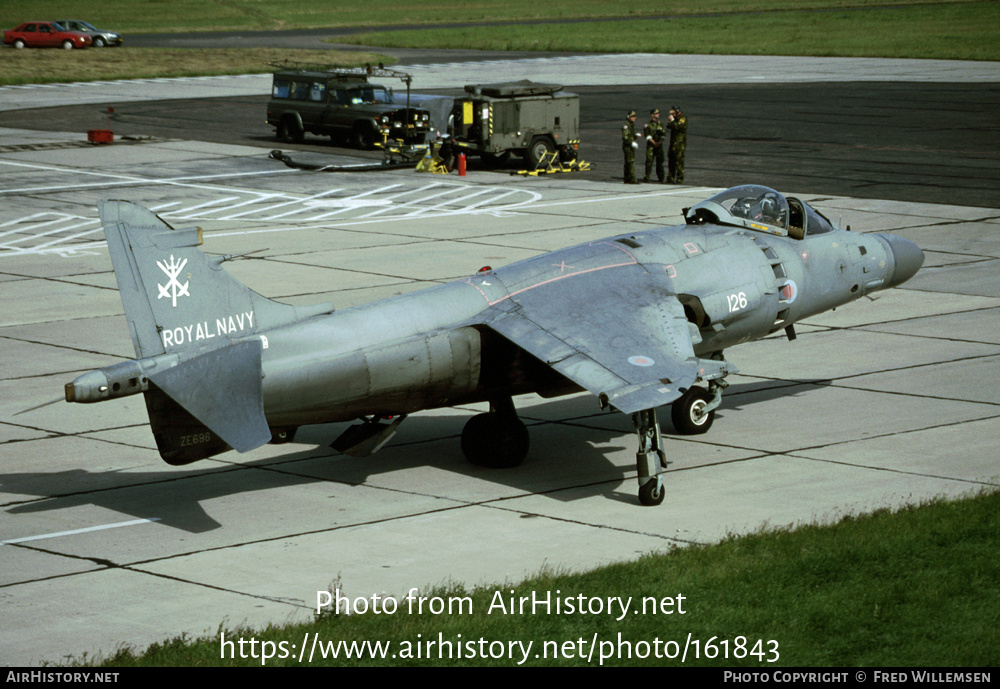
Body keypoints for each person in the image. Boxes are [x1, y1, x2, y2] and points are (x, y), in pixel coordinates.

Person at [643, 108, 667, 183]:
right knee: (649, 161)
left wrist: (659, 142)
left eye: (658, 113)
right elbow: (647, 135)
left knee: (660, 162)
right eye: (656, 113)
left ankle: (661, 177)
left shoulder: (661, 124)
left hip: (659, 145)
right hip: (651, 145)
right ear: (652, 115)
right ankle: (647, 176)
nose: (658, 114)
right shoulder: (648, 125)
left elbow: (664, 135)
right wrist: (654, 143)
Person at [666, 105, 688, 184]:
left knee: (679, 161)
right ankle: (670, 178)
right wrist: (670, 121)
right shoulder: (675, 119)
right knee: (671, 160)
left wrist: (672, 120)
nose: (672, 115)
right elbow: (669, 126)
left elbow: (677, 126)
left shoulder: (683, 118)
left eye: (673, 113)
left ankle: (679, 178)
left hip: (680, 144)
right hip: (673, 143)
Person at [621, 110, 640, 184]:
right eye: (632, 116)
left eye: (634, 116)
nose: (634, 118)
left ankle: (627, 178)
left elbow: (630, 136)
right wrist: (631, 142)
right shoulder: (626, 126)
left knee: (628, 162)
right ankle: (632, 179)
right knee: (631, 162)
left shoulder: (631, 125)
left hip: (629, 146)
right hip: (627, 146)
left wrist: (635, 136)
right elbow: (625, 137)